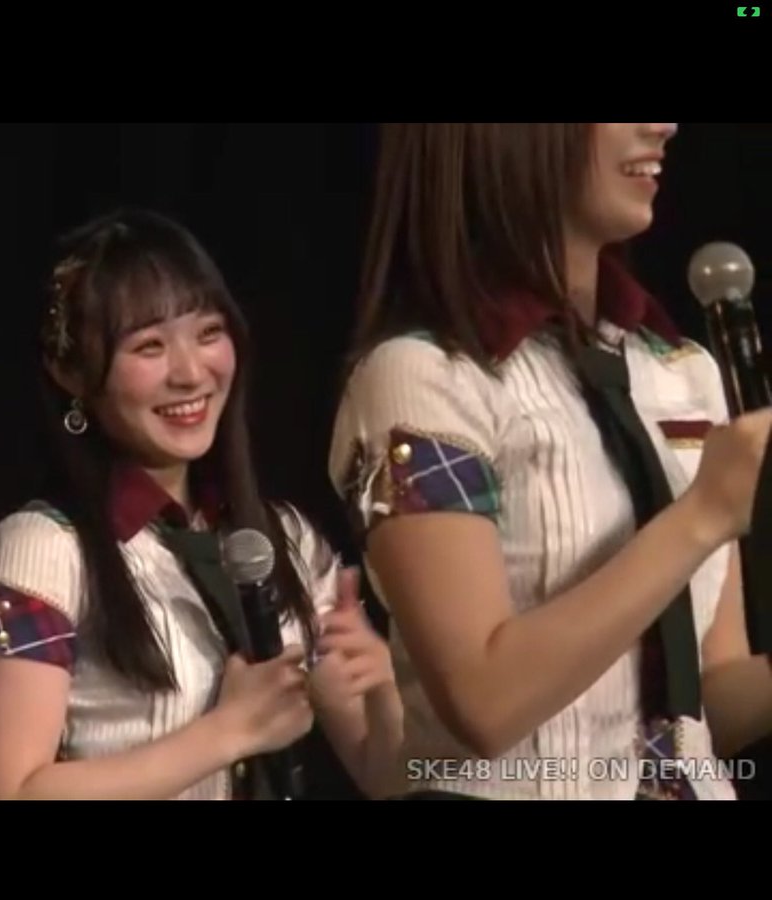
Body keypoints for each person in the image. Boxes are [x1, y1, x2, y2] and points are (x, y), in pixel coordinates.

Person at [327, 123, 772, 800]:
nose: (664, 125)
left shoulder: (682, 372)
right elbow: (484, 702)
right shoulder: (424, 378)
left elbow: (706, 696)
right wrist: (704, 515)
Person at [0, 208, 403, 800]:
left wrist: (383, 686)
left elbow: (387, 777)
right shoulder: (44, 549)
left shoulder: (284, 539)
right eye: (149, 346)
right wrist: (228, 733)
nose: (191, 373)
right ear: (71, 373)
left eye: (208, 333)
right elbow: (9, 792)